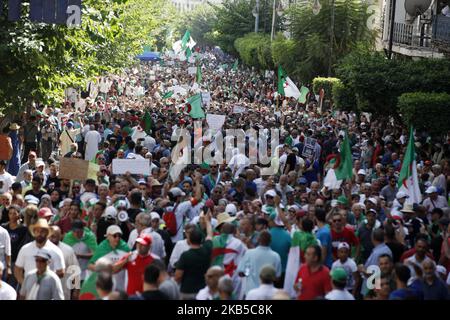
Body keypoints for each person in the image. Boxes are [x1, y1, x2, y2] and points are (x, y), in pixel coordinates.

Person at [175, 210, 213, 300]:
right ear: (201, 239)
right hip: (203, 291)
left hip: (187, 291)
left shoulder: (185, 255)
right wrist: (208, 221)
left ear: (189, 240)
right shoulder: (207, 249)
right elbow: (210, 235)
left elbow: (178, 276)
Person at [15, 219, 65, 285]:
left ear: (47, 233)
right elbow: (17, 269)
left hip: (47, 290)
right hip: (29, 289)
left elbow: (61, 272)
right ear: (34, 232)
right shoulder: (25, 249)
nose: (39, 234)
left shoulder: (55, 250)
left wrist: (47, 282)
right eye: (37, 231)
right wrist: (24, 284)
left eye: (42, 231)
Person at [237, 230, 281, 296]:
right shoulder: (276, 256)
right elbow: (277, 277)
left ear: (258, 239)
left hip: (251, 293)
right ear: (270, 241)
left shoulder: (249, 253)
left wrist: (248, 271)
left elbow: (241, 273)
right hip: (269, 294)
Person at [88, 225, 130, 292]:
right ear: (108, 236)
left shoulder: (125, 247)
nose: (117, 238)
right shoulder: (101, 248)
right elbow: (90, 266)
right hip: (105, 287)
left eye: (119, 236)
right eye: (115, 236)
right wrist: (103, 268)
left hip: (121, 287)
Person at [49, 226, 80, 300]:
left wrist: (76, 290)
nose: (51, 239)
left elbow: (75, 271)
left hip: (62, 292)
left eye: (54, 236)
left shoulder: (68, 251)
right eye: (49, 236)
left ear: (60, 236)